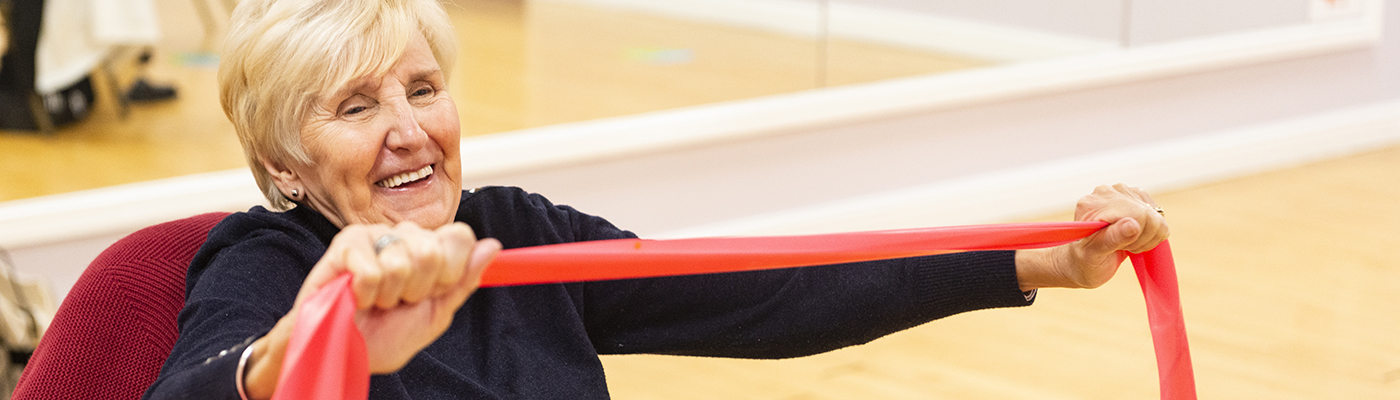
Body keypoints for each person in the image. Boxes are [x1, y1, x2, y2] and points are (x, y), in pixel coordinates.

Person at [141, 0, 1170, 398]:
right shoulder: (262, 263)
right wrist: (320, 335)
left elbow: (770, 297)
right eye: (356, 106)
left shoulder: (515, 233)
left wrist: (1038, 259)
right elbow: (190, 391)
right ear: (285, 166)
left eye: (422, 87)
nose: (409, 128)